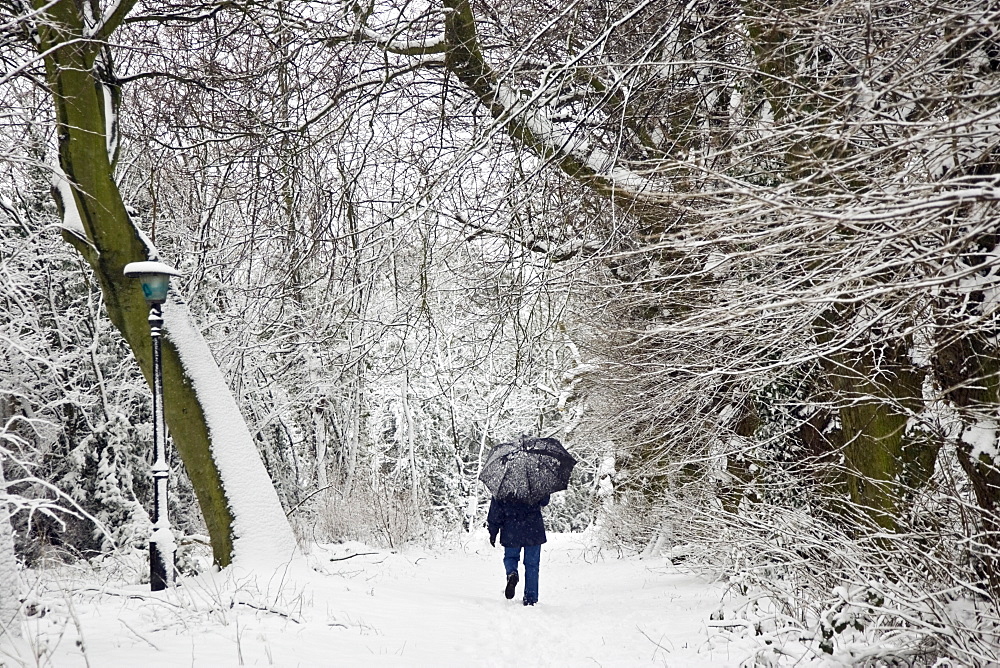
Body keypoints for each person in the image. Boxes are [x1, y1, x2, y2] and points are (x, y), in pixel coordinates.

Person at [486, 494, 549, 606]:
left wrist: (493, 530)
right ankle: (531, 598)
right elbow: (544, 501)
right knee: (532, 565)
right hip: (533, 529)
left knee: (510, 557)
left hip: (511, 528)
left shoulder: (504, 485)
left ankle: (512, 573)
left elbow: (496, 510)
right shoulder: (536, 481)